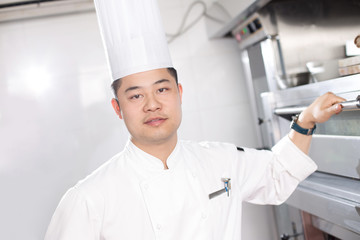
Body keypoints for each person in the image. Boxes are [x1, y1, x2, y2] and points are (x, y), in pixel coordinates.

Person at [44, 1, 346, 239]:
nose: (152, 105)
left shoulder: (220, 160)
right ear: (117, 107)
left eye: (162, 89)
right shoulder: (88, 198)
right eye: (135, 96)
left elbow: (277, 174)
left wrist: (305, 121)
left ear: (179, 93)